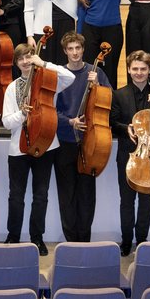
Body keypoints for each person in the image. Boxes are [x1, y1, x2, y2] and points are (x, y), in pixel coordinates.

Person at [1, 43, 75, 255]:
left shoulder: (48, 80)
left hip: (46, 145)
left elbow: (69, 77)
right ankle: (13, 236)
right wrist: (23, 114)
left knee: (40, 196)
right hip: (18, 149)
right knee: (16, 195)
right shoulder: (12, 88)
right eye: (21, 59)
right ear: (16, 63)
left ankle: (37, 238)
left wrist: (44, 63)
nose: (25, 62)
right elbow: (6, 122)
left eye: (29, 57)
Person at [52, 31, 111, 243]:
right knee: (66, 194)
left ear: (83, 49)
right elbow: (50, 109)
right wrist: (69, 121)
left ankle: (84, 240)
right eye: (71, 49)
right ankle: (71, 241)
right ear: (65, 51)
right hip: (65, 141)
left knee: (87, 194)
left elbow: (108, 101)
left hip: (90, 141)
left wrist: (99, 85)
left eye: (78, 48)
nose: (75, 52)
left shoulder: (95, 73)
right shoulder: (59, 75)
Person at [109, 50, 150, 256]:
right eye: (135, 69)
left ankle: (142, 239)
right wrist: (126, 128)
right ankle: (125, 240)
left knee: (147, 200)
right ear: (129, 70)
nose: (139, 73)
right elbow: (111, 122)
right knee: (127, 200)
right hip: (128, 154)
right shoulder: (119, 94)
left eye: (143, 69)